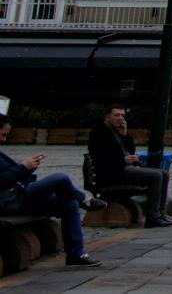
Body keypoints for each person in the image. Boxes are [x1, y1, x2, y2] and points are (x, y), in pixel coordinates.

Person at [0, 111, 107, 267]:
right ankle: (86, 200)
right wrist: (23, 167)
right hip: (9, 200)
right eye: (2, 135)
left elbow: (12, 175)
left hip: (18, 193)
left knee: (69, 203)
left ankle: (76, 254)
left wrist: (28, 168)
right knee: (60, 178)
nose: (4, 139)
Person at [86, 106, 172, 228]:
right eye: (117, 115)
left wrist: (125, 135)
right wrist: (122, 160)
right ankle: (152, 217)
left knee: (164, 173)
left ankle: (160, 213)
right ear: (107, 117)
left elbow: (129, 150)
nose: (120, 118)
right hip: (112, 173)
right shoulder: (99, 131)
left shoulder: (118, 131)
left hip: (124, 169)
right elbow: (100, 158)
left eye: (122, 115)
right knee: (156, 176)